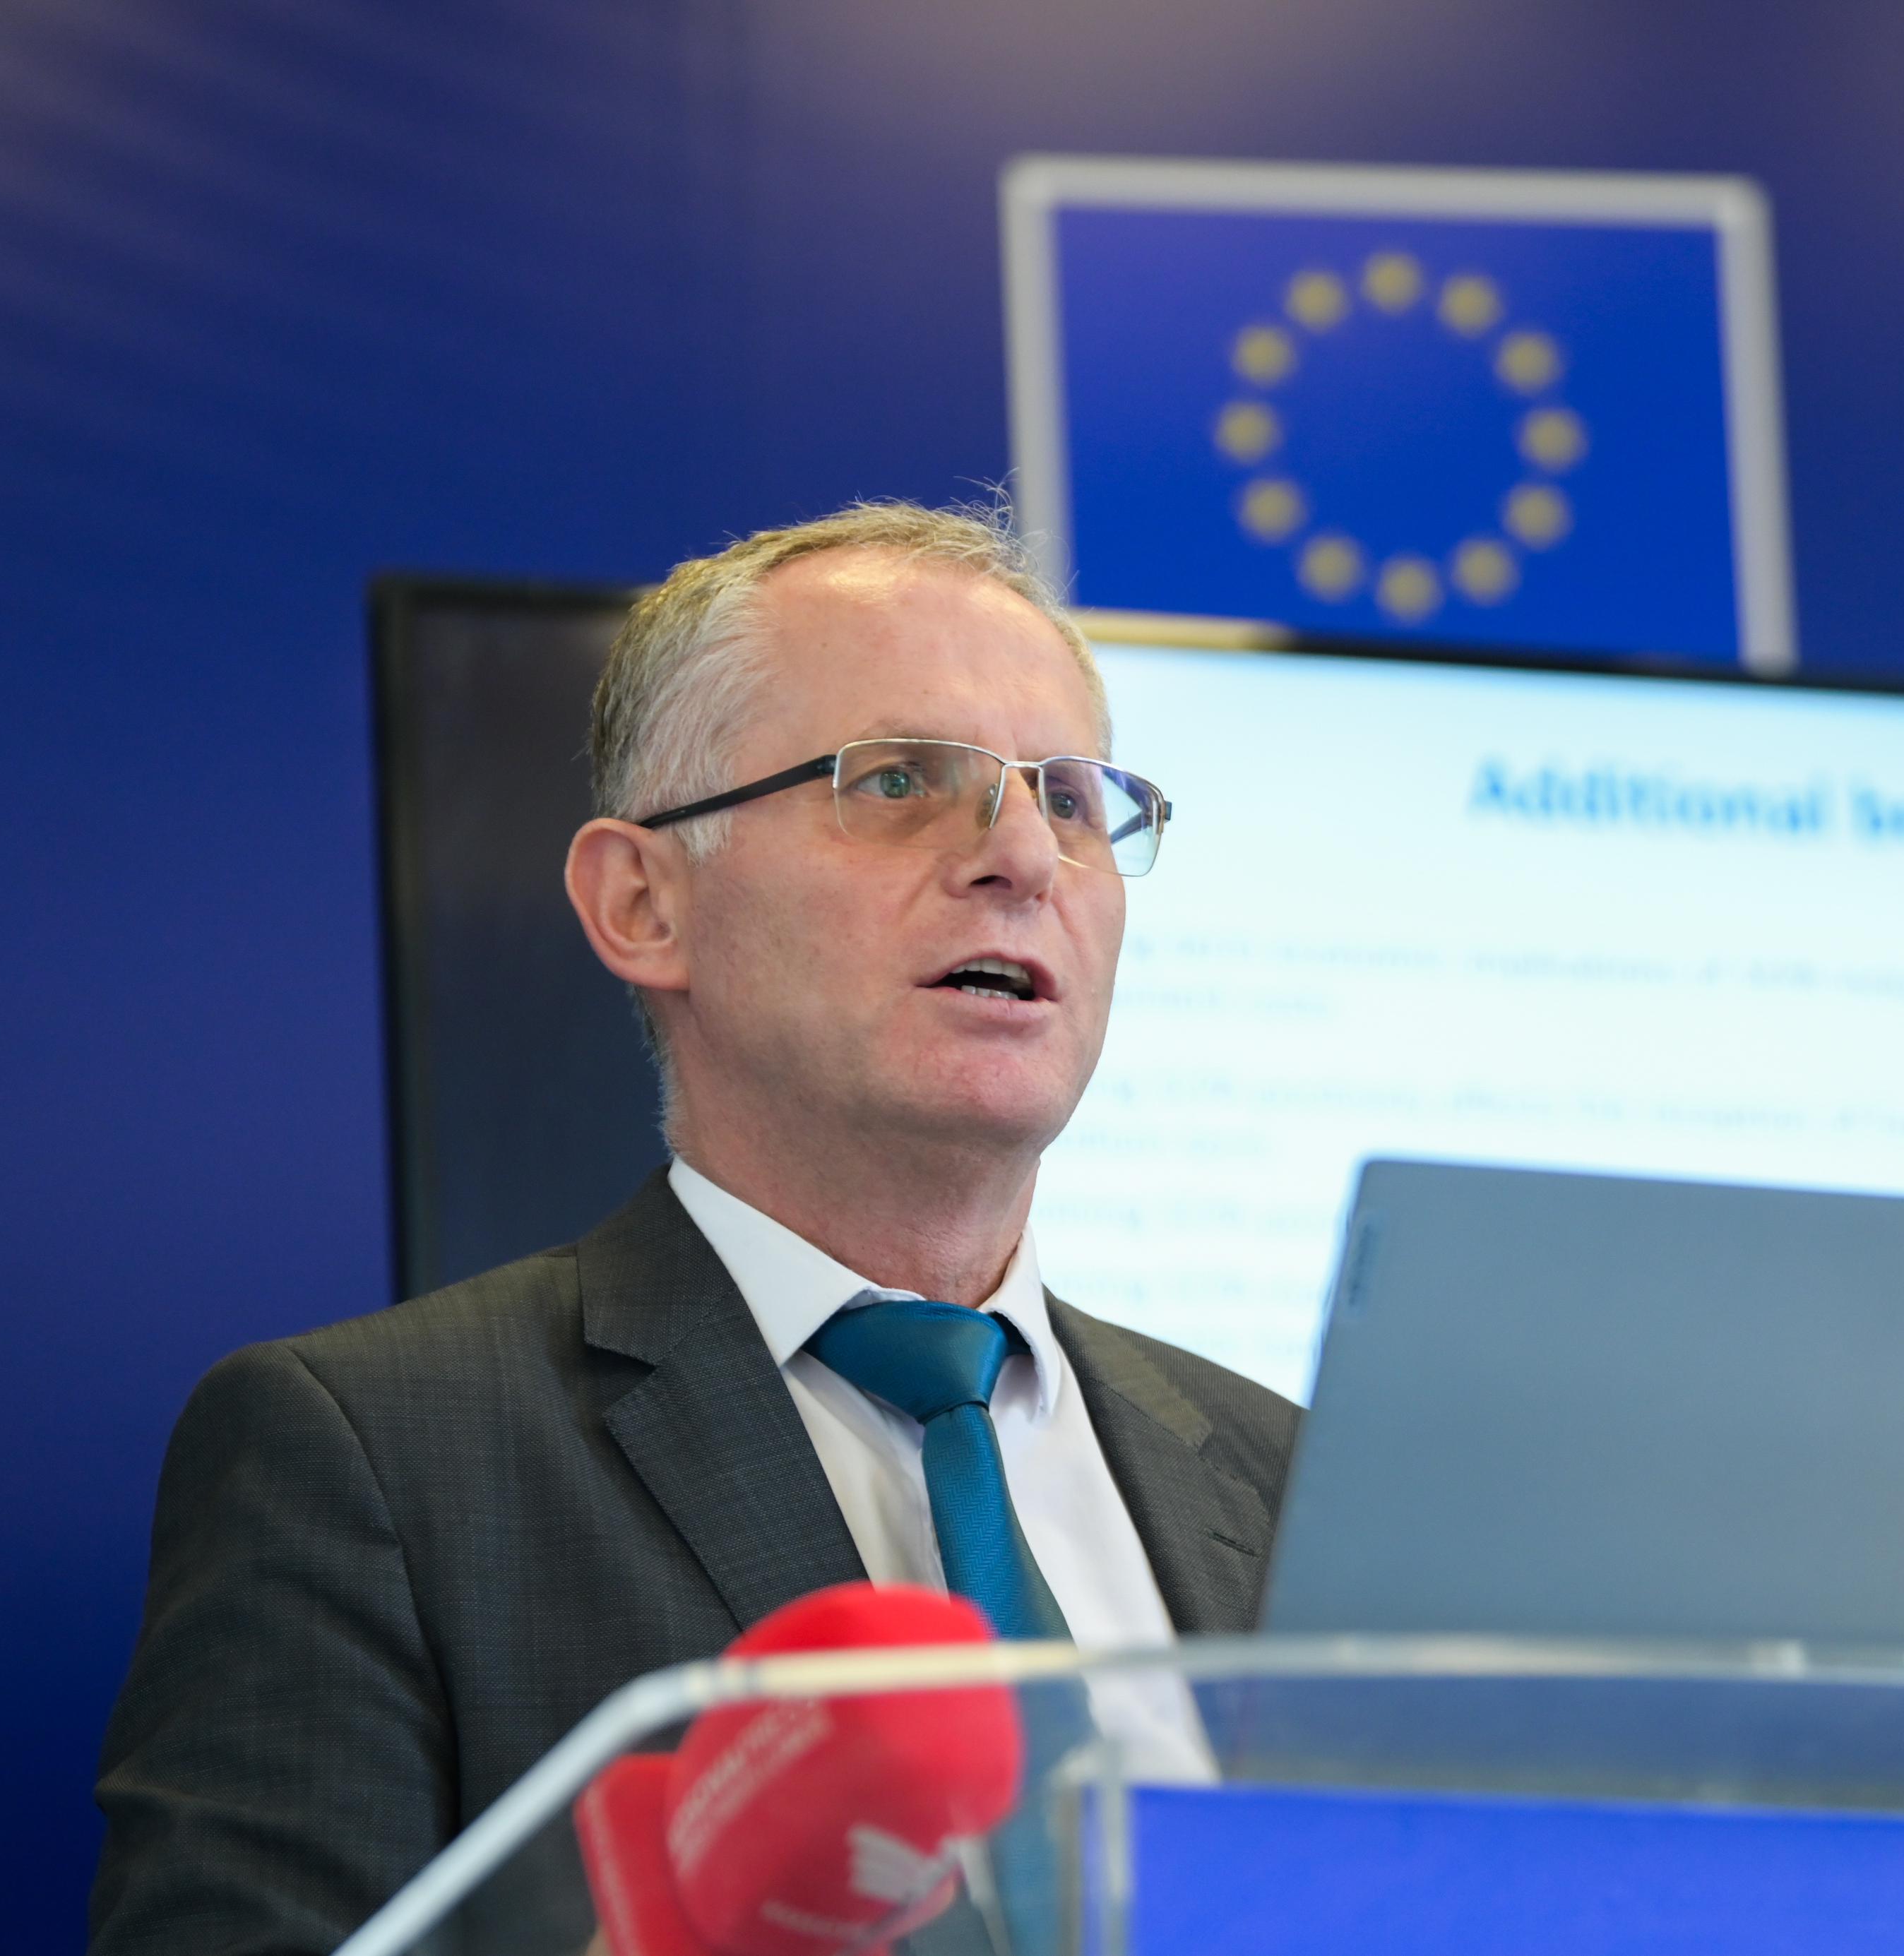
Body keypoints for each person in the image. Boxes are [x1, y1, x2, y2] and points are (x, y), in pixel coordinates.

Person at [89, 503, 1299, 1955]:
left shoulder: (1279, 1474)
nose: (1024, 858)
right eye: (899, 779)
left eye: (1072, 800)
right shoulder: (371, 1461)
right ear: (644, 901)